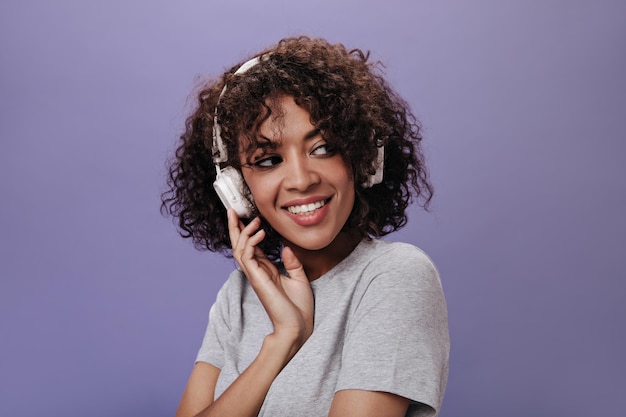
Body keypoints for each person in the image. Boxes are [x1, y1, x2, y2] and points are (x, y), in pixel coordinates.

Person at [162, 36, 449, 417]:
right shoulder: (241, 295)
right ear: (236, 189)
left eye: (324, 148)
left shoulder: (395, 276)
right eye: (267, 160)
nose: (300, 180)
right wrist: (283, 340)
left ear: (364, 159)